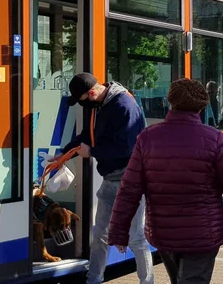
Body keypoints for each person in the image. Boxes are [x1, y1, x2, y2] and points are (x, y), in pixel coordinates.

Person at [108, 78, 223, 284]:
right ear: (202, 105)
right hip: (203, 233)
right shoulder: (214, 139)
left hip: (164, 233)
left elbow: (129, 190)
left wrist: (118, 232)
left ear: (170, 102)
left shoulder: (147, 138)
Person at [57, 73, 154, 284]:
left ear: (92, 93)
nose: (84, 106)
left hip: (131, 181)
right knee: (100, 233)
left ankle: (147, 282)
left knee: (136, 238)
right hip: (110, 180)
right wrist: (64, 153)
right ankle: (94, 279)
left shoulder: (124, 106)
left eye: (83, 101)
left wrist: (91, 151)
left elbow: (125, 147)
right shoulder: (100, 106)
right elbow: (87, 135)